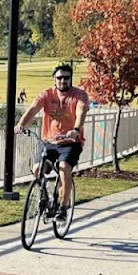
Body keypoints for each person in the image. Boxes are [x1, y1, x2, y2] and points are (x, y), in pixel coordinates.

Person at [16, 63, 90, 219]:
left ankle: (63, 208)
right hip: (49, 141)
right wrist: (21, 124)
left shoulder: (79, 95)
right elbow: (33, 108)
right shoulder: (47, 94)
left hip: (70, 142)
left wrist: (76, 130)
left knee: (64, 168)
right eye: (59, 78)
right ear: (54, 79)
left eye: (66, 78)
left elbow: (81, 111)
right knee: (37, 169)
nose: (63, 81)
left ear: (71, 79)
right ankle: (45, 196)